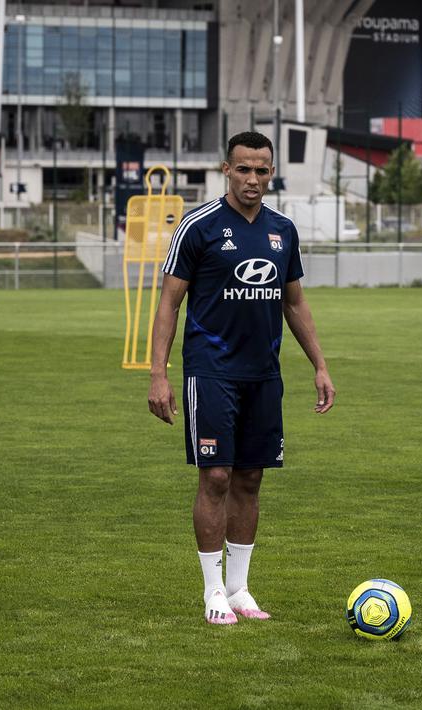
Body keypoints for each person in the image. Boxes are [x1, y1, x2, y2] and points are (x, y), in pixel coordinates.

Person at [148, 131, 335, 625]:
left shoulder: (283, 230)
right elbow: (169, 303)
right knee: (215, 476)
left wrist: (319, 364)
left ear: (271, 173)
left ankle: (239, 589)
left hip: (263, 375)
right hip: (210, 372)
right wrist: (158, 374)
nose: (253, 179)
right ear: (225, 169)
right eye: (244, 169)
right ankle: (212, 591)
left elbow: (294, 302)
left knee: (250, 479)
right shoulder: (198, 225)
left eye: (262, 170)